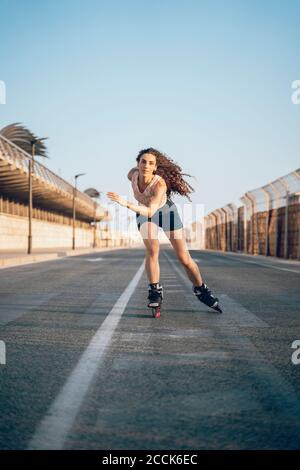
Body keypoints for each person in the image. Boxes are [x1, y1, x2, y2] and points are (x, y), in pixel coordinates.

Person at [107, 147, 222, 313]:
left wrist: (125, 203)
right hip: (143, 212)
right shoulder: (132, 175)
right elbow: (145, 212)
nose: (146, 165)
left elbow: (151, 211)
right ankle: (155, 290)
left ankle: (201, 289)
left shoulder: (159, 184)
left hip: (164, 212)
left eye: (150, 163)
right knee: (153, 248)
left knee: (184, 258)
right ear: (137, 164)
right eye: (143, 161)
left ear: (155, 168)